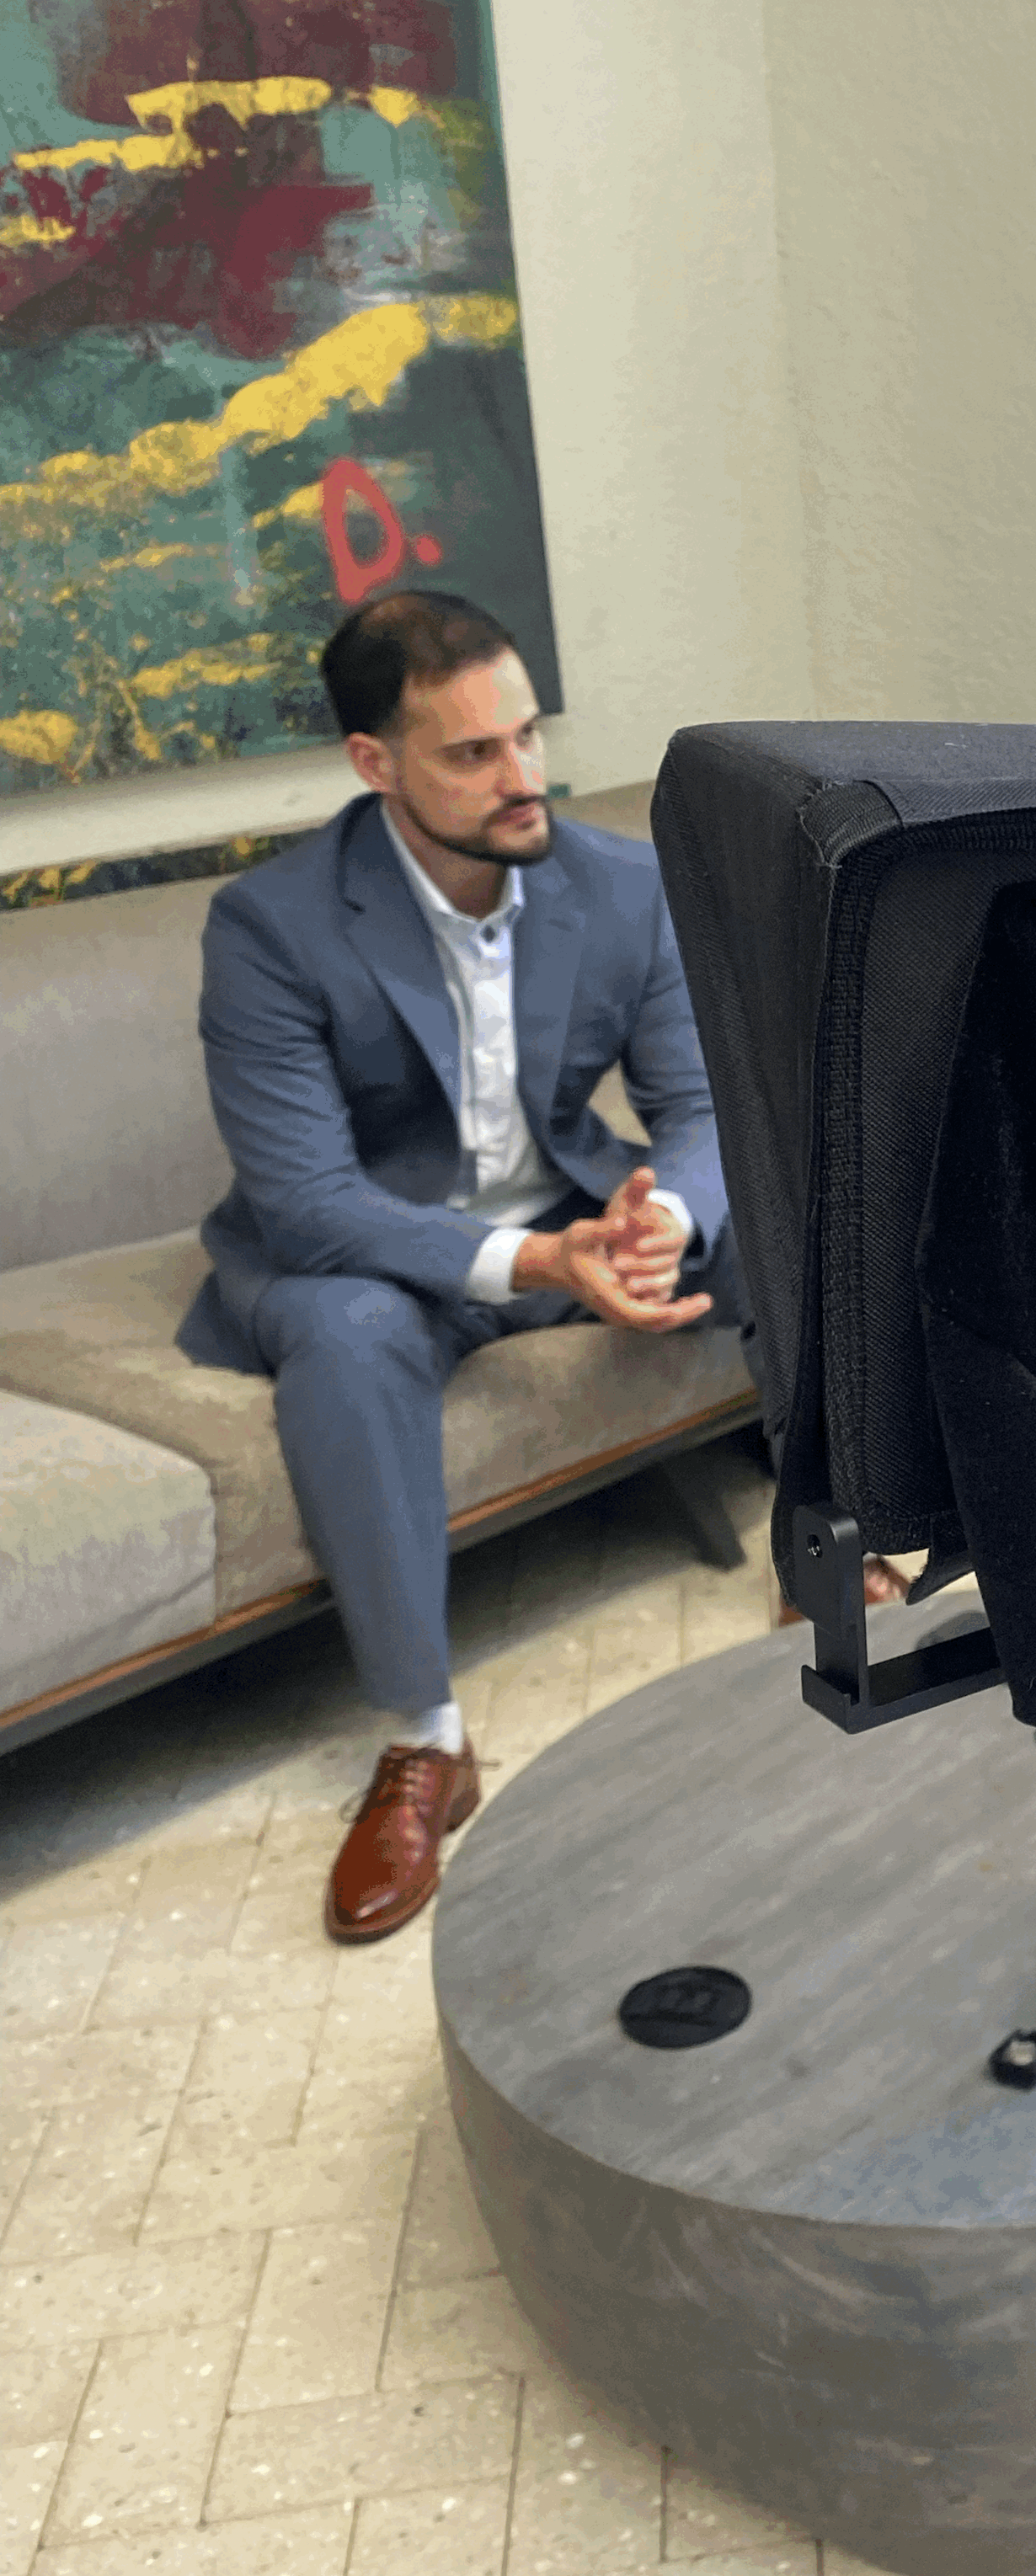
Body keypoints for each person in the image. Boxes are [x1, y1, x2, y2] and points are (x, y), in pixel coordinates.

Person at [180, 589, 749, 1944]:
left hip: (560, 1199)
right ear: (375, 764)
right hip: (367, 1245)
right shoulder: (270, 927)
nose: (521, 778)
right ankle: (426, 1740)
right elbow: (310, 1202)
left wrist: (670, 1217)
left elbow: (705, 1112)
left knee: (775, 1210)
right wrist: (546, 1260)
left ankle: (834, 1556)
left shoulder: (620, 883)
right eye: (473, 755)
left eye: (528, 736)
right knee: (347, 1330)